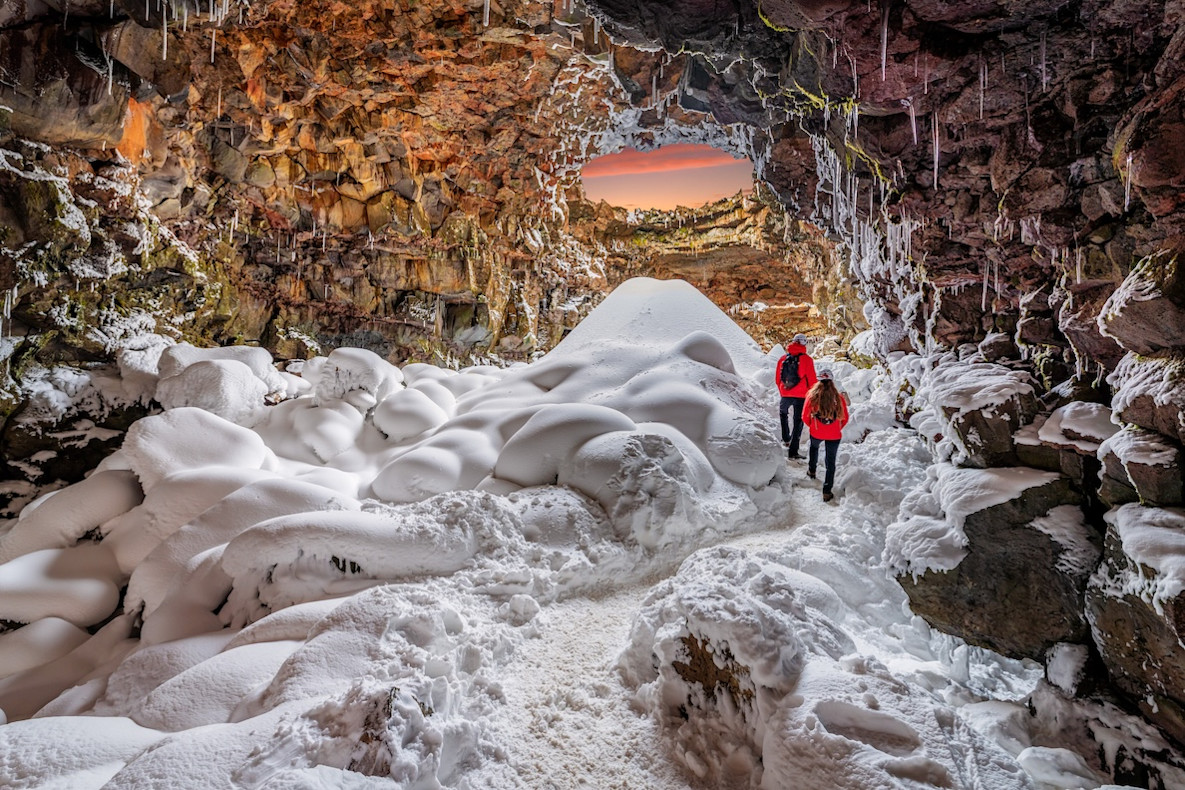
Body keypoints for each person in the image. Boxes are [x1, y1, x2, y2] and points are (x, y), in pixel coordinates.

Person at [802, 369, 849, 502]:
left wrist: (813, 426)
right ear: (832, 381)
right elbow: (845, 417)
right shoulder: (838, 398)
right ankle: (827, 491)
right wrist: (836, 427)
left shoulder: (812, 397)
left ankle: (812, 470)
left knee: (814, 448)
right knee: (831, 462)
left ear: (819, 381)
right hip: (834, 434)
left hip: (817, 431)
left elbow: (805, 416)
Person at [775, 333, 817, 459]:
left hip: (785, 393)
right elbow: (812, 380)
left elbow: (778, 379)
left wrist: (783, 391)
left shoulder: (783, 359)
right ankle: (793, 451)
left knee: (783, 414)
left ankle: (785, 438)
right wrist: (811, 395)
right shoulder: (807, 360)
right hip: (801, 395)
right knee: (798, 421)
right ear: (804, 343)